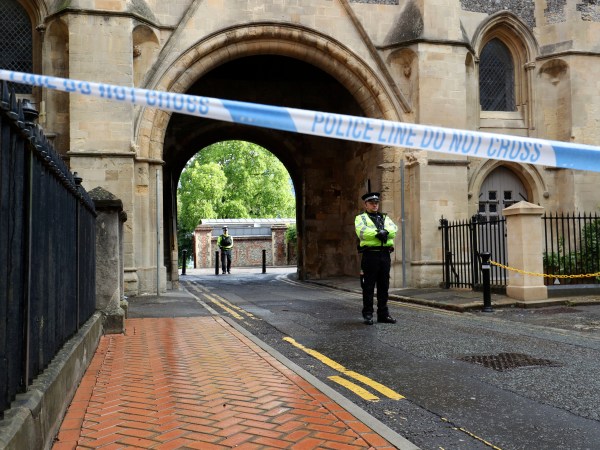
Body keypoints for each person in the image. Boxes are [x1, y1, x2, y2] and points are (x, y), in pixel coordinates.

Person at [355, 192, 398, 325]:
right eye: (372, 203)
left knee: (383, 286)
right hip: (370, 255)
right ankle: (368, 314)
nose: (375, 205)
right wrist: (378, 233)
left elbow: (394, 230)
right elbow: (362, 232)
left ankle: (383, 314)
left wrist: (385, 232)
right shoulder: (360, 218)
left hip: (384, 255)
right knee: (368, 286)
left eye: (377, 203)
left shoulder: (385, 217)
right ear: (366, 204)